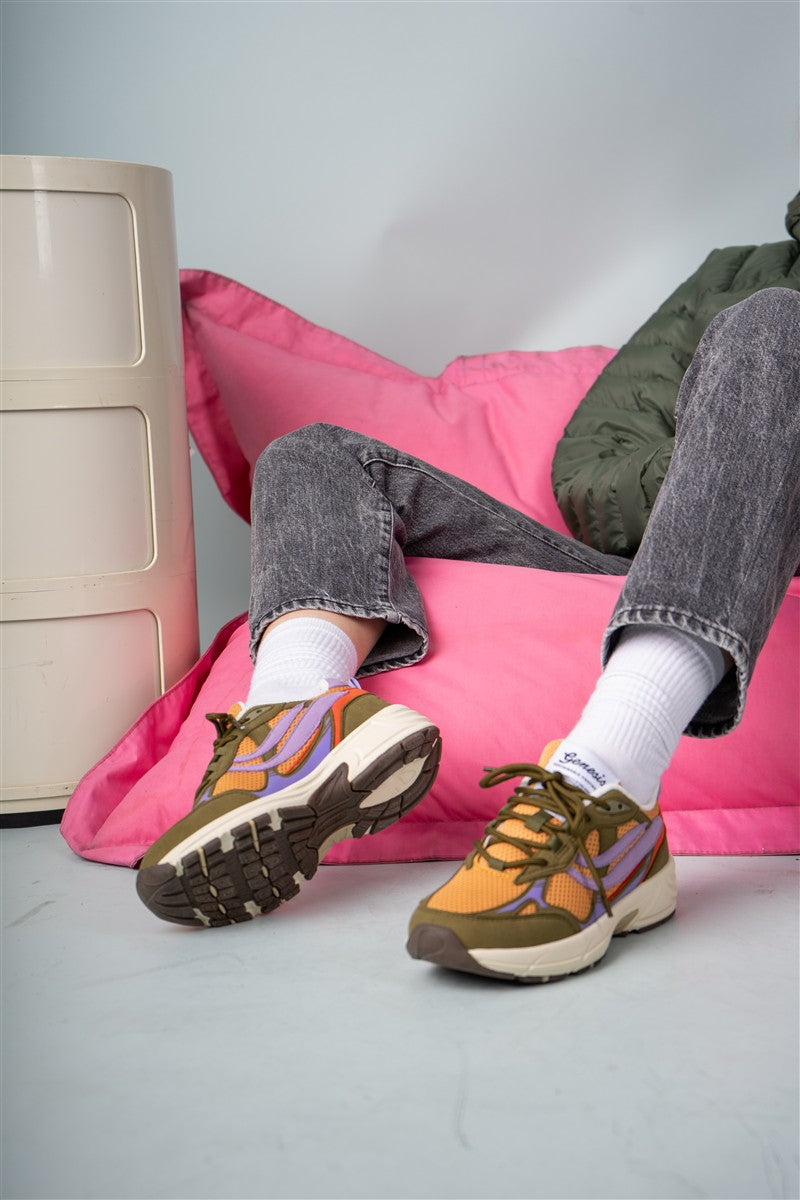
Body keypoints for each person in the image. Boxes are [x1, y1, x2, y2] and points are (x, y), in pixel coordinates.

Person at [136, 286, 800, 983]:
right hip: (633, 555)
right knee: (313, 456)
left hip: (761, 578)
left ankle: (605, 783)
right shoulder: (743, 275)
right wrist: (723, 451)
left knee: (780, 323)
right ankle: (294, 706)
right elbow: (594, 470)